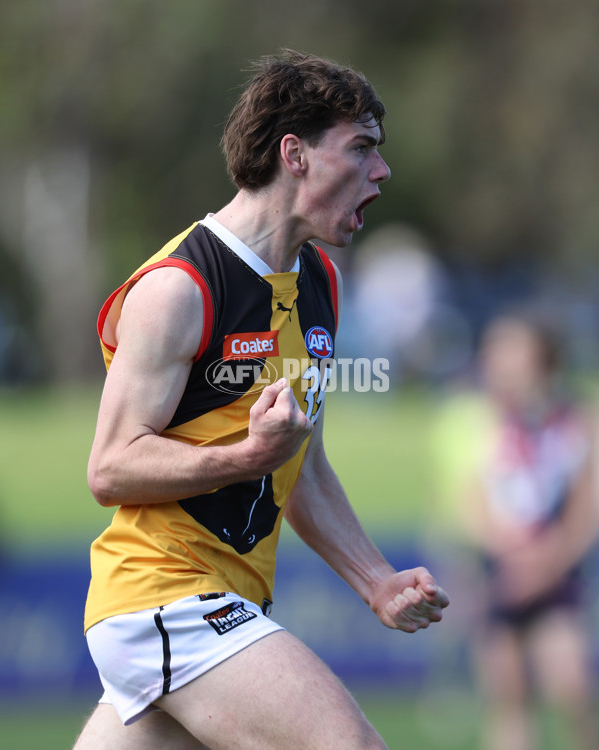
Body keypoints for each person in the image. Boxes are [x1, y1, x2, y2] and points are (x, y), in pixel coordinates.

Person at [73, 50, 449, 750]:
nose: (382, 170)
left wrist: (375, 581)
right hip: (164, 594)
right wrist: (247, 453)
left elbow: (301, 467)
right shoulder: (179, 287)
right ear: (294, 153)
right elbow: (111, 467)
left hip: (219, 599)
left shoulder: (319, 284)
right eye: (362, 147)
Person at [460, 310, 598, 750]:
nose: (496, 359)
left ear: (543, 358)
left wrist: (550, 560)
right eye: (492, 349)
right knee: (508, 696)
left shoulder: (578, 419)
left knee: (571, 689)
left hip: (557, 571)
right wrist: (508, 553)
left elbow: (587, 501)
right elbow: (468, 501)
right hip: (500, 568)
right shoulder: (475, 419)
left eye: (509, 349)